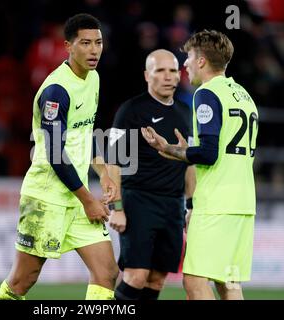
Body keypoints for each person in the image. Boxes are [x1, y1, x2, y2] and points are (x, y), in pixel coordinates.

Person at [0, 13, 118, 300]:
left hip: (76, 196)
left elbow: (83, 133)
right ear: (68, 46)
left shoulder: (94, 78)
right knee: (23, 280)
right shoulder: (56, 91)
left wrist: (103, 172)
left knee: (107, 272)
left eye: (98, 42)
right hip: (47, 196)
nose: (94, 49)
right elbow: (55, 153)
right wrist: (89, 200)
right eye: (85, 43)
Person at [141, 30, 258, 300]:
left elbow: (208, 153)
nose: (185, 64)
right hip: (243, 203)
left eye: (189, 57)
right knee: (228, 283)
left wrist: (168, 148)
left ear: (202, 60)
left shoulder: (206, 94)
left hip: (216, 203)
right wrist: (183, 151)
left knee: (194, 282)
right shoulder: (243, 95)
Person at [107, 49, 195, 300]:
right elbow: (113, 162)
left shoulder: (185, 113)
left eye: (172, 70)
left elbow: (189, 164)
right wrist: (117, 207)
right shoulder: (131, 110)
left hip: (173, 206)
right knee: (135, 277)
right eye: (160, 71)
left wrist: (191, 205)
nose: (168, 76)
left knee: (157, 280)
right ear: (147, 75)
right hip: (138, 201)